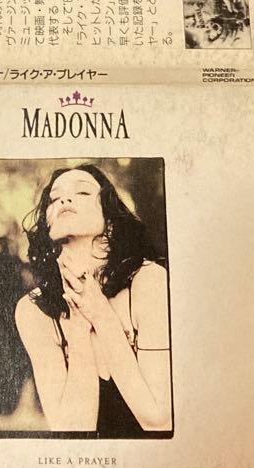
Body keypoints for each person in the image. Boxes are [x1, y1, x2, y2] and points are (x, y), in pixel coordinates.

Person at [14, 163, 172, 435]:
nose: (64, 200)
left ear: (109, 218)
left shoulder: (149, 282)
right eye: (54, 198)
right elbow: (74, 430)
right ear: (47, 223)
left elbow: (158, 420)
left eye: (83, 192)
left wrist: (101, 314)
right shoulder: (33, 310)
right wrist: (78, 327)